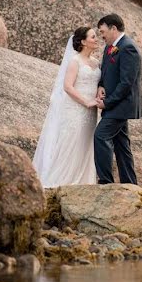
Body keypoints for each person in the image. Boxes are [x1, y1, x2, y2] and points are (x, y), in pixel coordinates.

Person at [32, 26, 101, 187]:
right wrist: (86, 102)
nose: (96, 39)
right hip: (76, 109)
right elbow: (68, 87)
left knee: (86, 143)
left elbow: (96, 83)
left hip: (91, 112)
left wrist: (99, 92)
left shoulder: (96, 63)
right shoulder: (75, 61)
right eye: (92, 37)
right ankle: (59, 182)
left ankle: (83, 182)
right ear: (83, 41)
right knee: (71, 142)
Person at [94, 14, 142, 185]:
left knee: (100, 136)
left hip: (121, 105)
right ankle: (130, 184)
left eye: (103, 31)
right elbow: (106, 71)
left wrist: (107, 102)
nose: (102, 35)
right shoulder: (111, 47)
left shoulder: (129, 48)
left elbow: (126, 83)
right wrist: (100, 85)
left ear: (113, 28)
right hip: (115, 105)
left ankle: (105, 182)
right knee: (121, 145)